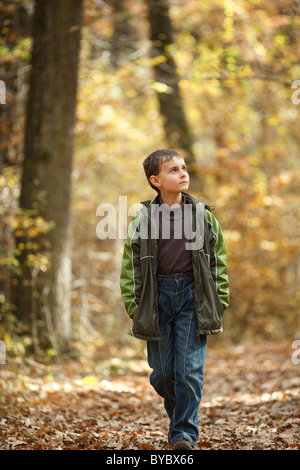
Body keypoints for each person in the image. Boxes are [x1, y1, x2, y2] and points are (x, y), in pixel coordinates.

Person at [119, 149, 229, 450]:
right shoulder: (143, 219)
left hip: (193, 298)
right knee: (164, 376)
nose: (183, 174)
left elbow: (218, 260)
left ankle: (183, 434)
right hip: (156, 300)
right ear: (155, 181)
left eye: (184, 168)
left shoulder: (203, 216)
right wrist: (134, 305)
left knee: (188, 370)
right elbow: (131, 267)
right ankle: (179, 419)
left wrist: (219, 300)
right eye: (173, 170)